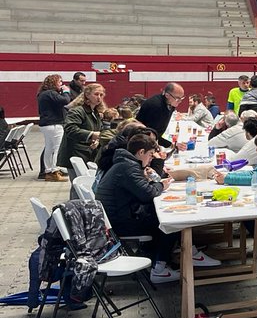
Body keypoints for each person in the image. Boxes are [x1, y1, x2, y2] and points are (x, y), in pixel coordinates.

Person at [95, 132, 220, 284]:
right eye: (150, 155)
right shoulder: (128, 168)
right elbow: (148, 194)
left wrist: (152, 181)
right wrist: (161, 185)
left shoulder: (125, 164)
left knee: (167, 215)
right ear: (141, 152)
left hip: (117, 217)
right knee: (171, 221)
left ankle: (185, 254)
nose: (151, 159)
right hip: (121, 223)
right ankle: (160, 268)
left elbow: (142, 190)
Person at [59, 83, 108, 177]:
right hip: (75, 152)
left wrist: (97, 140)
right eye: (96, 94)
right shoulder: (77, 111)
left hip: (87, 153)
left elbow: (99, 129)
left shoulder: (96, 112)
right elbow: (70, 129)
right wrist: (92, 134)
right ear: (87, 95)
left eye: (101, 95)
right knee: (77, 186)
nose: (99, 97)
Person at [36, 73, 72, 181]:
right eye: (60, 82)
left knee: (49, 148)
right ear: (54, 83)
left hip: (46, 124)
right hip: (54, 124)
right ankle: (55, 171)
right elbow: (65, 100)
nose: (62, 84)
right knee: (58, 148)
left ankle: (47, 171)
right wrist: (66, 91)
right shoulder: (51, 93)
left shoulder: (42, 93)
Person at [136, 82, 186, 148]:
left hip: (151, 138)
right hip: (141, 141)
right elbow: (151, 134)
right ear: (167, 95)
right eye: (177, 98)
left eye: (181, 98)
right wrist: (172, 145)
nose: (180, 101)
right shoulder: (156, 106)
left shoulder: (170, 103)